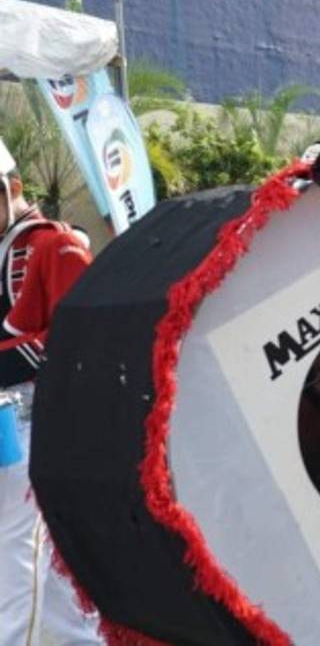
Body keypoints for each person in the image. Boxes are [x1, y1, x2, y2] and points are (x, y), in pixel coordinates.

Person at [0, 137, 102, 645]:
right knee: (47, 564)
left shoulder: (53, 243)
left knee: (17, 552)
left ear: (12, 187)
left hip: (36, 424)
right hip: (11, 425)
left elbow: (77, 333)